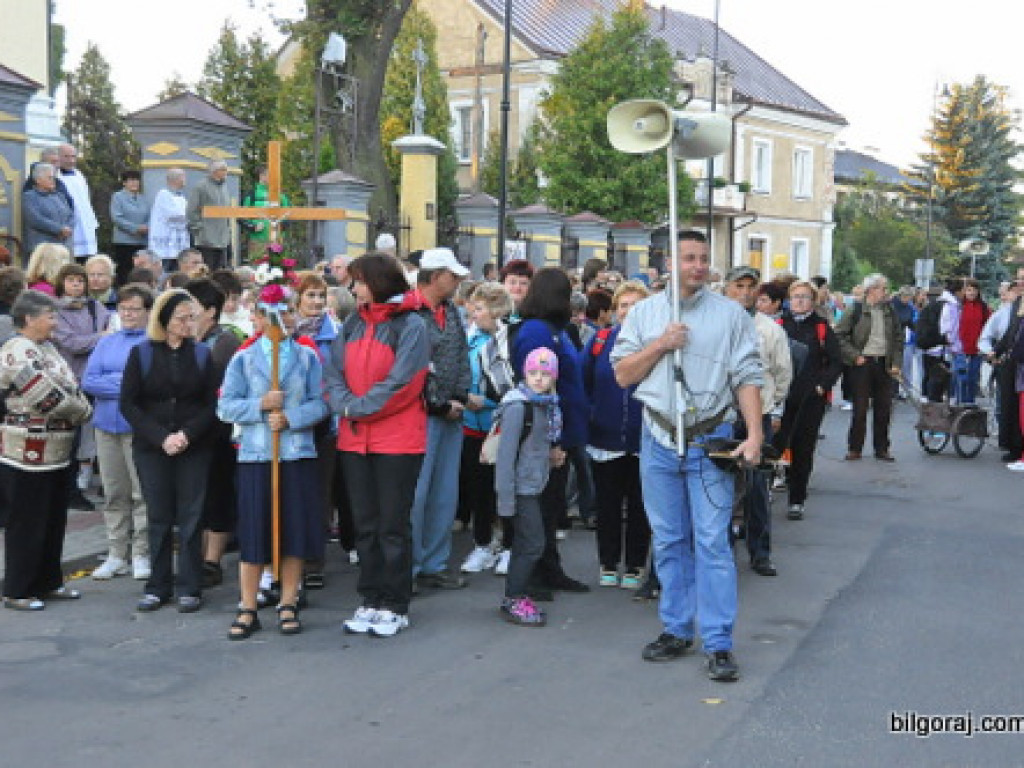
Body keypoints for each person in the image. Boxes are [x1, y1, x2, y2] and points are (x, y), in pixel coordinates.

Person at [611, 230, 763, 682]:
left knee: (713, 542)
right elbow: (622, 375)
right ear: (669, 263)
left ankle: (718, 642)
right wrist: (660, 345)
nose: (697, 265)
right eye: (689, 258)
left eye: (703, 258)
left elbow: (747, 375)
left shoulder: (730, 315)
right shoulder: (644, 313)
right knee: (670, 539)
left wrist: (753, 434)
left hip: (709, 439)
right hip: (658, 436)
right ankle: (676, 628)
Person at [324, 252, 431, 638]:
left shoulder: (411, 325)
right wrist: (346, 404)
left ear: (379, 281)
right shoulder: (352, 323)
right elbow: (333, 372)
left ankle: (395, 603)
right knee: (365, 525)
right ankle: (369, 598)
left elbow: (404, 384)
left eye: (359, 281)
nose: (353, 289)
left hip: (397, 441)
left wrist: (355, 407)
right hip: (356, 441)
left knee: (392, 526)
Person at [217, 292, 329, 640]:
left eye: (285, 314)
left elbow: (320, 405)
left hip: (295, 455)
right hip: (257, 455)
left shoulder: (307, 358)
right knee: (255, 530)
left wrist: (292, 418)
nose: (279, 322)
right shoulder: (244, 360)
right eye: (269, 315)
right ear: (259, 319)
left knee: (293, 530)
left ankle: (288, 601)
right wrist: (260, 405)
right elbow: (225, 407)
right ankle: (248, 605)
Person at [120, 289, 220, 613]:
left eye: (192, 317)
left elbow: (211, 404)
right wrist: (161, 437)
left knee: (192, 516)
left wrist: (186, 435)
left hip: (194, 445)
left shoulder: (203, 354)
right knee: (158, 516)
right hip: (153, 447)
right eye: (182, 318)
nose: (189, 323)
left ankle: (190, 586)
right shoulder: (142, 354)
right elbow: (129, 404)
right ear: (164, 319)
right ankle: (158, 585)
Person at [1, 290, 93, 610]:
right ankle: (17, 588)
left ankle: (48, 581)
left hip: (57, 452)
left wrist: (77, 404)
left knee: (53, 520)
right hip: (25, 454)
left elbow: (72, 387)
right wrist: (81, 411)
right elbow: (47, 398)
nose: (55, 321)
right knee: (27, 523)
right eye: (50, 316)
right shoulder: (15, 351)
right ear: (29, 319)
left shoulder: (48, 348)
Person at [512, 267, 591, 597]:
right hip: (545, 434)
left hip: (564, 430)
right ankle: (534, 574)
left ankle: (550, 568)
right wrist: (553, 441)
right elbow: (541, 389)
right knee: (540, 507)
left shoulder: (555, 331)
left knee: (553, 505)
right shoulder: (536, 332)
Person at [408, 247, 473, 591]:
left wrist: (459, 397)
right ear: (434, 277)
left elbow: (462, 355)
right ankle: (411, 566)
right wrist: (437, 404)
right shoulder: (409, 313)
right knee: (416, 494)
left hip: (451, 413)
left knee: (444, 492)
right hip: (420, 415)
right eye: (453, 275)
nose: (459, 281)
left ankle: (435, 562)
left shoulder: (451, 312)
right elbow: (413, 367)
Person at [82, 284, 154, 581]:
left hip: (138, 428)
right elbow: (88, 381)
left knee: (141, 493)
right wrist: (125, 384)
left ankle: (141, 552)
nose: (127, 314)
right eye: (123, 309)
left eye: (134, 309)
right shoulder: (106, 343)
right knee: (114, 493)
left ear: (148, 311)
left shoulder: (152, 343)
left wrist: (115, 383)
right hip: (105, 426)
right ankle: (116, 553)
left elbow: (148, 386)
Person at [582, 280, 651, 589]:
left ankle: (636, 564)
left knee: (640, 507)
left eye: (636, 305)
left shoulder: (655, 344)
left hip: (644, 439)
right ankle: (608, 563)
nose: (629, 311)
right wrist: (591, 415)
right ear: (614, 311)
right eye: (623, 305)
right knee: (608, 505)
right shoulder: (600, 341)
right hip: (604, 438)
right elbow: (582, 383)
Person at [723, 266, 791, 576]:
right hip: (721, 414)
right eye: (739, 285)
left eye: (751, 286)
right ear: (727, 289)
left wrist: (772, 410)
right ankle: (721, 549)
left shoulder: (769, 330)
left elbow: (782, 373)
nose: (746, 292)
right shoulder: (717, 323)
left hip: (757, 415)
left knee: (755, 487)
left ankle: (760, 552)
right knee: (719, 486)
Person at [494, 347, 564, 627]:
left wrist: (548, 455)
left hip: (533, 483)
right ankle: (514, 597)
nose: (538, 379)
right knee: (533, 542)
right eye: (533, 372)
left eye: (545, 374)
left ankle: (515, 595)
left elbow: (532, 445)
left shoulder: (545, 405)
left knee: (528, 542)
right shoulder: (518, 406)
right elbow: (506, 456)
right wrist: (505, 501)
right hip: (520, 488)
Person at [186, 278, 245, 590]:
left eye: (192, 305)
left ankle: (212, 560)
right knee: (197, 497)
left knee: (217, 495)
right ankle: (196, 556)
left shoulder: (224, 343)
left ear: (210, 311)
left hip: (217, 432)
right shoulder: (185, 338)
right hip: (190, 431)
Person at [292, 271, 348, 585]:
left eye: (320, 295)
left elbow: (339, 375)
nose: (315, 301)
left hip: (325, 423)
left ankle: (314, 561)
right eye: (309, 295)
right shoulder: (284, 329)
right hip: (289, 423)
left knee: (319, 494)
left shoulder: (334, 333)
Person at [774, 280, 842, 520]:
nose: (799, 301)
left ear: (813, 301)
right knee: (775, 445)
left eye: (804, 297)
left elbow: (836, 361)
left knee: (802, 448)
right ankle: (767, 489)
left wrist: (822, 386)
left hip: (810, 398)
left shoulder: (821, 327)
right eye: (795, 296)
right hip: (781, 396)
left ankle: (796, 499)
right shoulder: (779, 325)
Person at [458, 282, 515, 574]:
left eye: (479, 308)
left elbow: (512, 386)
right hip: (471, 424)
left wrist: (487, 403)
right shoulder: (470, 339)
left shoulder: (510, 339)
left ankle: (508, 546)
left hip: (501, 425)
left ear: (496, 310)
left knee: (503, 489)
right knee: (478, 488)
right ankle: (482, 543)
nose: (473, 314)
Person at [53, 263, 112, 510]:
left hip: (94, 378)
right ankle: (66, 488)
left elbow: (111, 331)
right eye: (71, 280)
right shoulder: (56, 311)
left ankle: (79, 484)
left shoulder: (95, 306)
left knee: (88, 435)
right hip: (69, 379)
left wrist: (101, 339)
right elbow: (72, 343)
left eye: (80, 280)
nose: (76, 285)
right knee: (70, 436)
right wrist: (99, 338)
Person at [835, 273, 903, 461]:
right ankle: (855, 447)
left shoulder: (889, 310)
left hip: (884, 363)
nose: (886, 292)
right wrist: (854, 356)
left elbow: (898, 338)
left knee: (884, 408)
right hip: (862, 364)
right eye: (883, 288)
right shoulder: (855, 309)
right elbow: (839, 335)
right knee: (860, 408)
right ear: (871, 290)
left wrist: (896, 363)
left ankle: (882, 448)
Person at [56, 143, 99, 260]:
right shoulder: (55, 176)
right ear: (58, 157)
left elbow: (86, 199)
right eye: (67, 156)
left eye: (73, 156)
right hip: (69, 225)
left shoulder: (79, 174)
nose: (71, 160)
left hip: (85, 222)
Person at [187, 160, 232, 269]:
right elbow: (191, 210)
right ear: (214, 171)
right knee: (207, 270)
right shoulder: (201, 187)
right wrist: (199, 229)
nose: (226, 172)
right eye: (223, 169)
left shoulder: (224, 187)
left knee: (220, 271)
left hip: (223, 239)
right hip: (206, 240)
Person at [22, 163, 74, 255]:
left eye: (53, 177)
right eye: (49, 178)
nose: (53, 180)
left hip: (63, 246)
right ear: (38, 180)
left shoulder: (59, 195)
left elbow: (71, 214)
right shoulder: (30, 197)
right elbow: (35, 220)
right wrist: (59, 229)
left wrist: (68, 228)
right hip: (42, 249)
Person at [109, 170, 150, 285]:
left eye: (136, 180)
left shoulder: (143, 198)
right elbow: (117, 218)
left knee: (140, 271)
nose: (134, 183)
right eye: (131, 180)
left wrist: (147, 227)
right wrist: (135, 228)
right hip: (124, 242)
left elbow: (150, 216)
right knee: (125, 272)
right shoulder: (118, 197)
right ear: (124, 183)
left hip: (141, 241)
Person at [242, 165, 291, 261]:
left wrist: (281, 226)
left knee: (278, 269)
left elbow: (289, 215)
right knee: (257, 269)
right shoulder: (251, 195)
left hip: (277, 240)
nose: (273, 178)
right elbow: (242, 217)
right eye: (269, 175)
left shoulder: (281, 196)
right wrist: (253, 226)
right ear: (261, 176)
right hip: (257, 240)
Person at [954, 278, 990, 405]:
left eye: (974, 290)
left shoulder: (983, 307)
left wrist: (986, 345)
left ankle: (970, 403)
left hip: (977, 348)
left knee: (973, 378)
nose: (971, 293)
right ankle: (960, 403)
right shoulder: (958, 305)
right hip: (960, 347)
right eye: (969, 290)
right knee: (961, 377)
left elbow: (988, 326)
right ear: (964, 291)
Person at [148, 168, 190, 268]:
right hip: (165, 245)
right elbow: (173, 218)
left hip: (178, 244)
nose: (185, 180)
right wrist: (189, 220)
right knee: (165, 273)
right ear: (176, 180)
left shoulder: (181, 197)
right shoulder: (163, 195)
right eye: (183, 177)